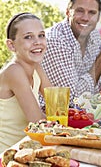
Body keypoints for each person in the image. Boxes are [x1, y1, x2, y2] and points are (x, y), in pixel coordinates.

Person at [41, 0, 101, 107]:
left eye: (92, 13)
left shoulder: (94, 35)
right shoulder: (55, 41)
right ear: (68, 12)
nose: (85, 18)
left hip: (82, 113)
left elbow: (95, 90)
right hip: (51, 116)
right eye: (80, 11)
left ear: (98, 17)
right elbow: (72, 100)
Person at [0, 12, 52, 152]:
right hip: (8, 156)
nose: (37, 42)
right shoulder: (14, 71)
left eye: (41, 35)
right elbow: (38, 122)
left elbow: (57, 105)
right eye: (28, 37)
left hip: (28, 151)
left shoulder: (36, 68)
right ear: (11, 45)